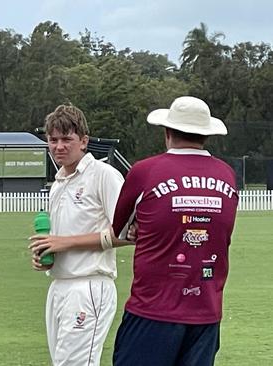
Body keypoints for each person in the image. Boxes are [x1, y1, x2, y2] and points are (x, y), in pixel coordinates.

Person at [111, 96, 238, 366]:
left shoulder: (145, 171)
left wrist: (141, 229)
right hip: (207, 313)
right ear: (206, 135)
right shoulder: (227, 174)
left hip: (153, 310)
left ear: (167, 132)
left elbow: (119, 231)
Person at [27, 103, 125, 366]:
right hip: (59, 284)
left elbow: (128, 232)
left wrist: (64, 243)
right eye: (53, 140)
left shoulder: (103, 175)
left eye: (66, 139)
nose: (59, 146)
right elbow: (61, 239)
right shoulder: (58, 184)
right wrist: (47, 252)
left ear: (84, 141)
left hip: (90, 284)